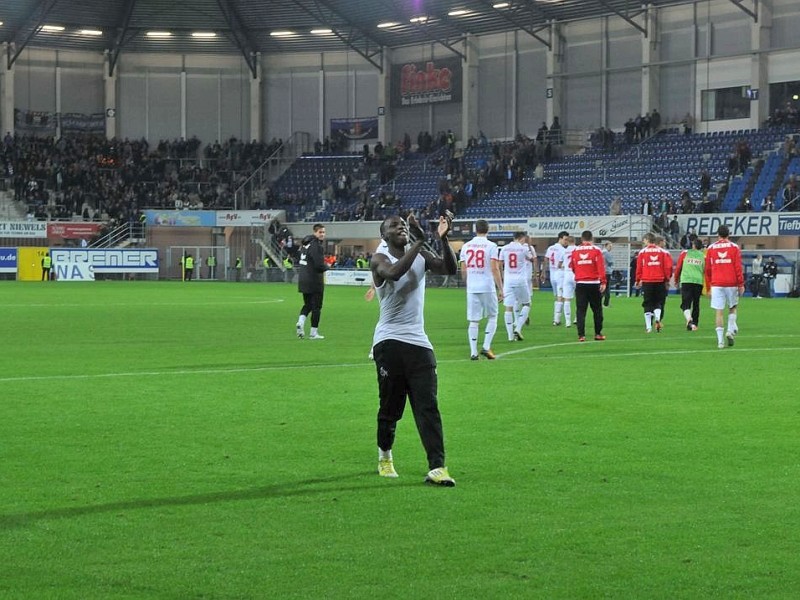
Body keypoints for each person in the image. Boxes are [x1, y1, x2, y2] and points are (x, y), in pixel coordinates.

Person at [370, 211, 458, 486]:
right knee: (391, 408)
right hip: (389, 342)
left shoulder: (418, 253)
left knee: (428, 406)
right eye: (394, 226)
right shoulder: (380, 258)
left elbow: (449, 268)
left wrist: (443, 239)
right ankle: (385, 455)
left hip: (419, 342)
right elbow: (395, 273)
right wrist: (420, 241)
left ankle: (437, 467)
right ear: (384, 235)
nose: (401, 228)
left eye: (404, 225)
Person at [460, 220, 504, 360]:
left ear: (475, 229)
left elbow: (463, 269)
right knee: (493, 316)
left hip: (472, 286)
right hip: (487, 286)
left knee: (473, 320)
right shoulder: (491, 246)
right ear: (488, 230)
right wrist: (501, 288)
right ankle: (486, 346)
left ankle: (473, 352)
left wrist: (468, 283)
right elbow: (494, 268)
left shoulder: (466, 246)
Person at [705, 225, 744, 348]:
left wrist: (708, 286)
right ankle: (730, 330)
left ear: (718, 234)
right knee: (732, 307)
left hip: (716, 284)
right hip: (731, 283)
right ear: (729, 234)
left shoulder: (711, 248)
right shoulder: (734, 247)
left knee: (719, 312)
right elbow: (738, 267)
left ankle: (720, 341)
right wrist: (741, 284)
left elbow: (707, 269)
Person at [569, 230, 606, 342]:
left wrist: (580, 275)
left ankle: (581, 335)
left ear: (581, 239)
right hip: (594, 283)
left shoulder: (575, 250)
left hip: (580, 283)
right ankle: (598, 333)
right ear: (592, 238)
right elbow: (600, 267)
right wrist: (603, 281)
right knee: (597, 310)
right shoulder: (596, 250)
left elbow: (572, 266)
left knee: (580, 310)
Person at [635, 232, 673, 333]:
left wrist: (638, 280)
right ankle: (657, 319)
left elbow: (639, 268)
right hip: (660, 280)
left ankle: (648, 327)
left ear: (647, 240)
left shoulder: (642, 252)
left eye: (644, 240)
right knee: (658, 302)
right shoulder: (663, 252)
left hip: (647, 281)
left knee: (647, 304)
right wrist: (667, 279)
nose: (643, 242)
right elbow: (667, 267)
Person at [296, 224, 328, 339]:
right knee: (317, 307)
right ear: (315, 232)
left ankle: (300, 322)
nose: (322, 234)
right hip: (314, 280)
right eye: (320, 232)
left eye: (324, 232)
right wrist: (327, 267)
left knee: (308, 304)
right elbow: (318, 265)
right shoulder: (316, 246)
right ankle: (313, 333)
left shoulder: (306, 244)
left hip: (303, 279)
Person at [500, 232, 533, 341]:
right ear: (521, 238)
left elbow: (500, 264)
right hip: (520, 280)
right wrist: (528, 246)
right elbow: (531, 258)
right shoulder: (523, 248)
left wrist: (502, 278)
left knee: (508, 307)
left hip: (508, 280)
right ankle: (518, 328)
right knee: (527, 304)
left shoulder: (504, 248)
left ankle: (510, 336)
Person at [674, 237, 705, 331]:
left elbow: (678, 267)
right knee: (696, 303)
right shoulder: (703, 256)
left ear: (693, 245)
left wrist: (676, 279)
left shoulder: (685, 253)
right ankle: (694, 324)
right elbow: (706, 270)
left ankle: (689, 319)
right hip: (698, 281)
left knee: (685, 303)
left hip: (686, 280)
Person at [544, 231, 568, 325]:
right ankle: (556, 319)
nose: (566, 241)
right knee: (560, 297)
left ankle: (556, 318)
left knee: (556, 296)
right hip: (560, 274)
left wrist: (543, 272)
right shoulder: (563, 250)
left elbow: (546, 259)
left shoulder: (551, 248)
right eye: (565, 239)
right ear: (560, 238)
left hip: (552, 274)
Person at [560, 235, 577, 327]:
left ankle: (567, 321)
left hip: (567, 274)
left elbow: (560, 264)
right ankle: (577, 318)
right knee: (579, 297)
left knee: (566, 299)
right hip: (577, 274)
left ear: (568, 242)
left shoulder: (564, 251)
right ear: (575, 241)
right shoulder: (578, 249)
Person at [601, 241, 614, 307]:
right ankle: (606, 303)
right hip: (607, 272)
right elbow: (611, 262)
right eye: (610, 246)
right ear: (605, 246)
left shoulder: (600, 252)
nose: (611, 248)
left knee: (602, 287)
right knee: (607, 288)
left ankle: (599, 302)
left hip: (601, 272)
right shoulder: (607, 253)